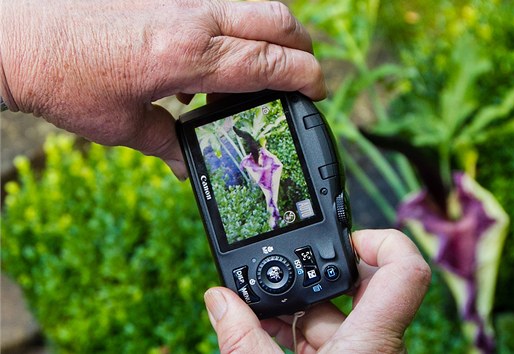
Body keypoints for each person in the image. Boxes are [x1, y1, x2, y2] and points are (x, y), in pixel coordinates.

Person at [1, 1, 432, 353]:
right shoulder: (249, 162)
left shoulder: (267, 161)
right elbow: (262, 181)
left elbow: (271, 179)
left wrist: (16, 59)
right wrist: (20, 55)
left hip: (283, 193)